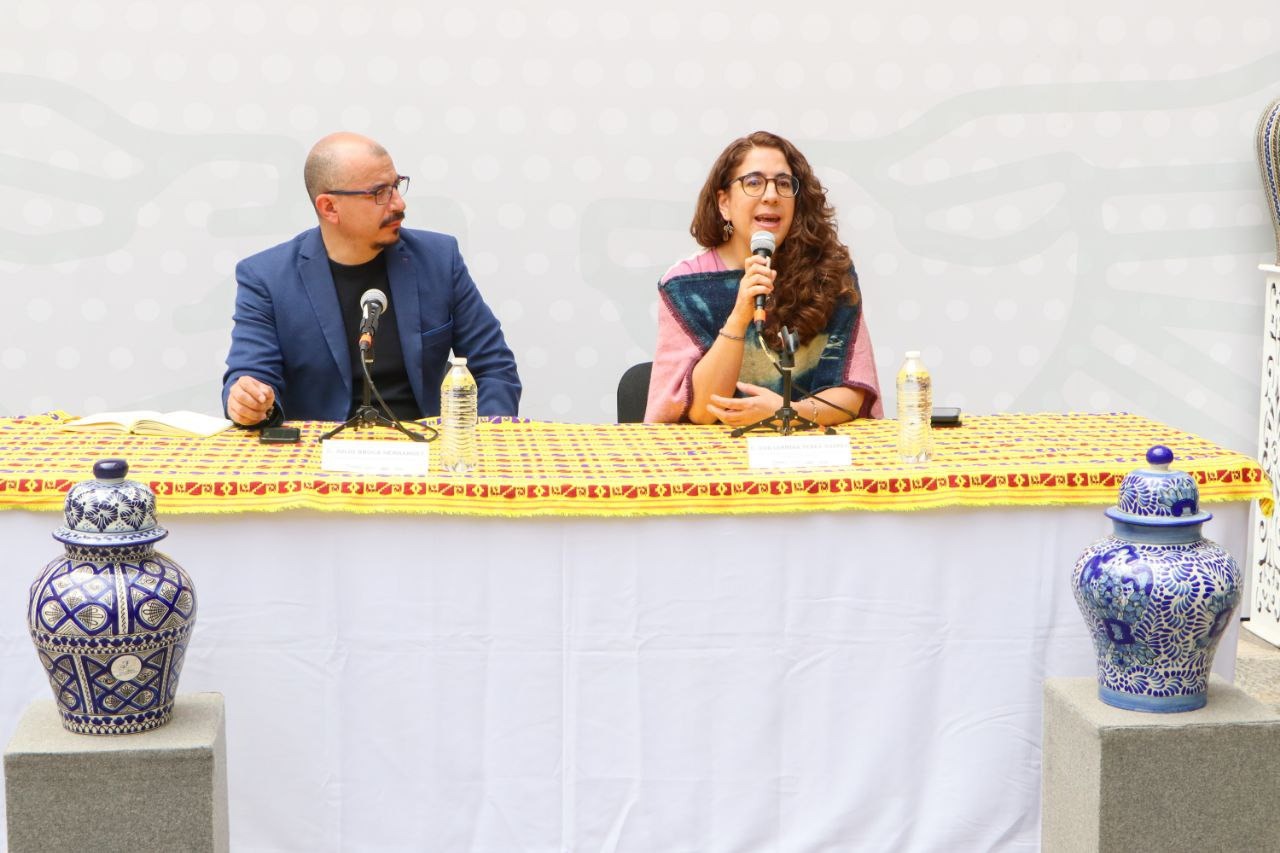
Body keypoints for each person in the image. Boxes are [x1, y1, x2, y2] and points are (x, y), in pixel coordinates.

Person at [222, 132, 521, 426]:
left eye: (396, 186)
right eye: (380, 193)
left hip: (425, 447)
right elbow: (251, 379)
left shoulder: (439, 259)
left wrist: (481, 440)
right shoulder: (266, 278)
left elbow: (493, 367)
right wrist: (248, 402)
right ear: (329, 207)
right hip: (317, 451)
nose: (399, 204)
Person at [645, 131, 882, 426]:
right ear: (724, 203)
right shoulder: (684, 286)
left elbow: (851, 394)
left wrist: (788, 413)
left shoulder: (830, 274)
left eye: (783, 183)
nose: (771, 196)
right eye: (754, 182)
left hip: (808, 445)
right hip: (716, 451)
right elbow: (702, 412)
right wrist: (739, 316)